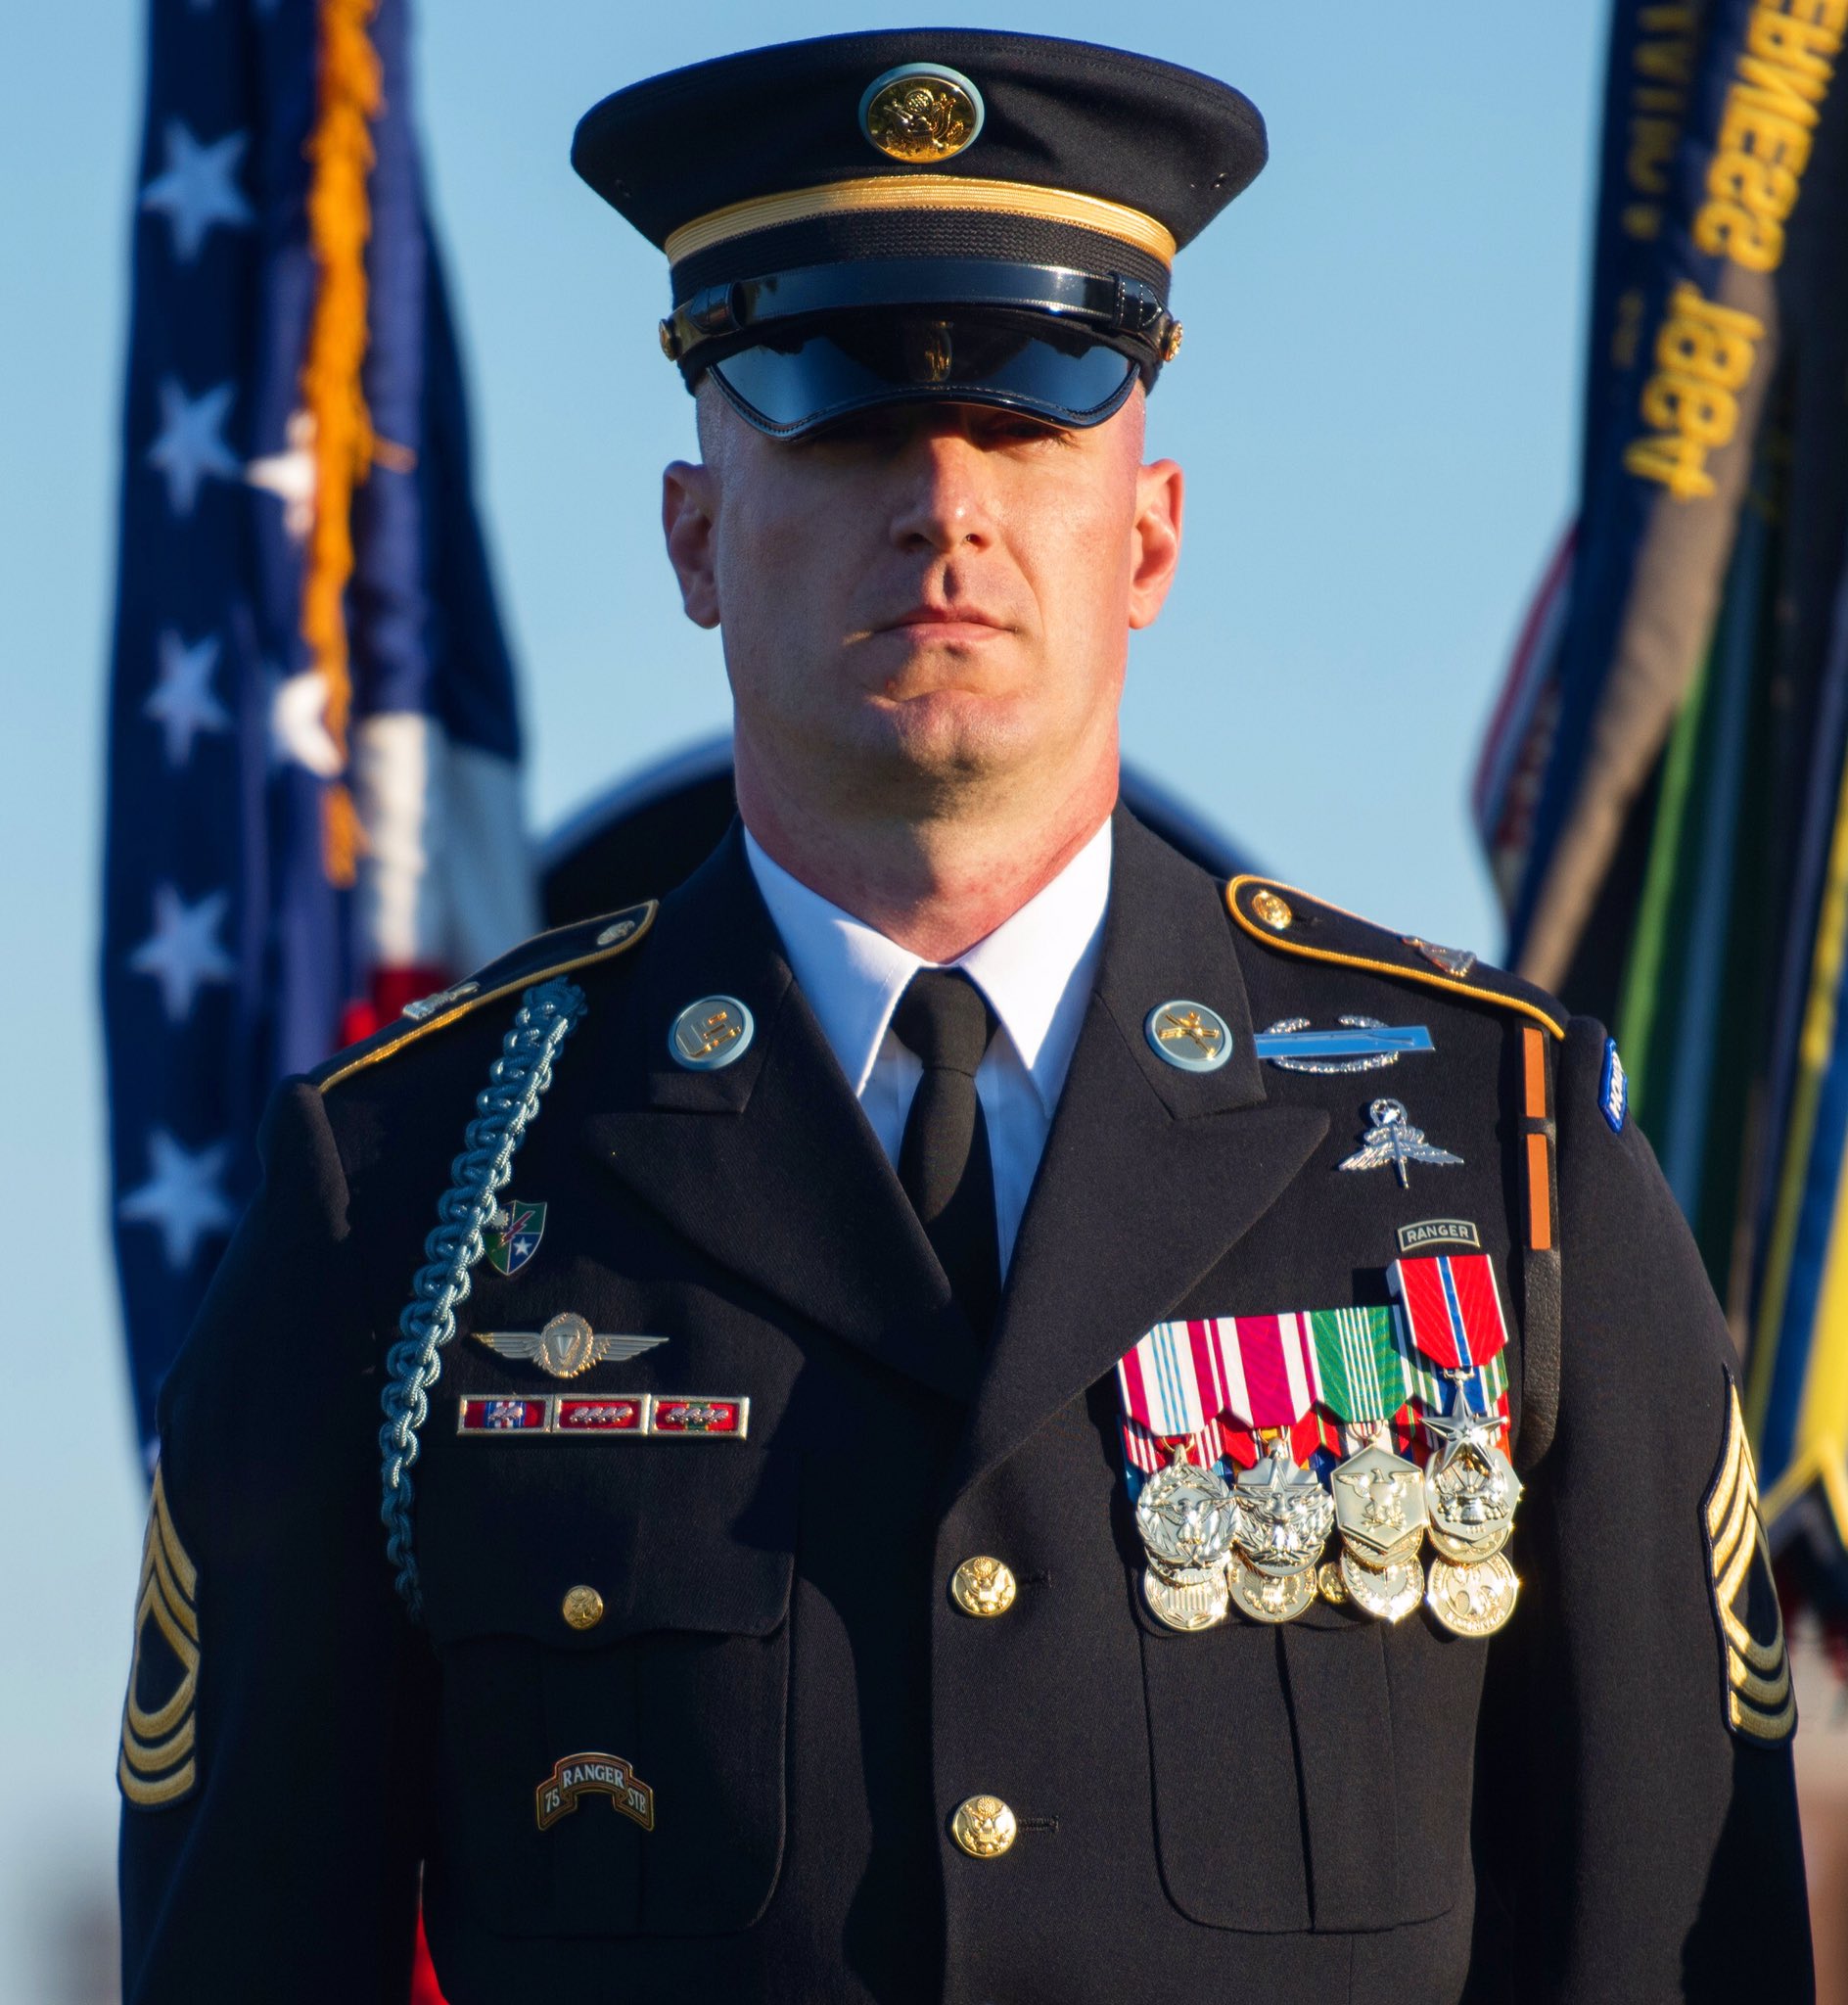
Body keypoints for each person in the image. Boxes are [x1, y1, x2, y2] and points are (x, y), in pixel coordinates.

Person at [116, 27, 1813, 2005]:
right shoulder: (401, 1189)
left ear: (1148, 533)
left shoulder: (1504, 1151)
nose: (942, 506)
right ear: (693, 536)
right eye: (841, 425)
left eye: (1026, 425)